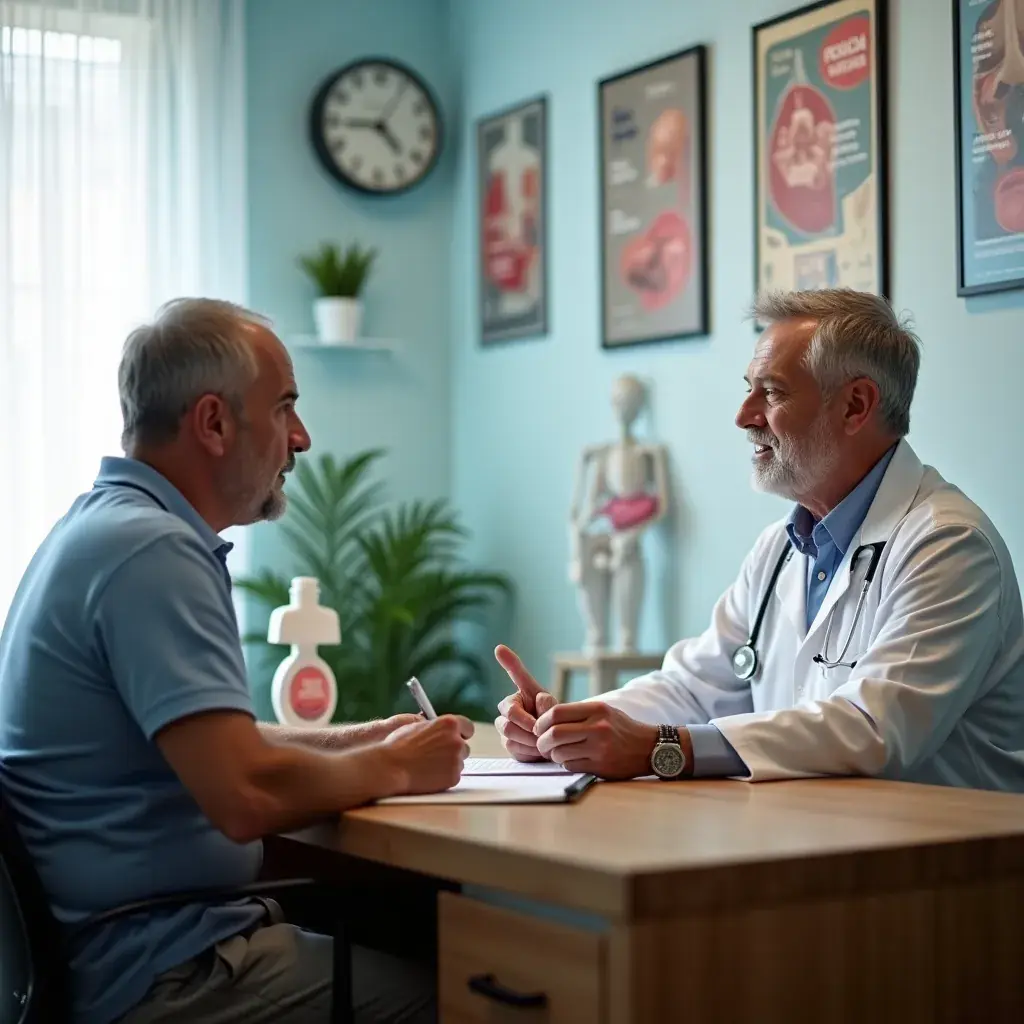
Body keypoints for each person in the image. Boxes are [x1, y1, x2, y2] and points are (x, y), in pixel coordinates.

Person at [0, 298, 469, 1024]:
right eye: (285, 408)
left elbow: (219, 745)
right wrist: (404, 769)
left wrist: (363, 737)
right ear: (214, 423)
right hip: (165, 972)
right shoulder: (151, 550)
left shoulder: (100, 528)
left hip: (115, 953)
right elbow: (244, 793)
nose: (303, 438)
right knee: (497, 998)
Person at [495, 288, 1024, 791]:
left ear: (856, 405)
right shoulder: (781, 548)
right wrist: (568, 729)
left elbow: (872, 729)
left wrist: (663, 748)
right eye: (748, 388)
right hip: (809, 844)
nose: (744, 415)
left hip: (942, 870)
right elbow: (691, 689)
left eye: (770, 392)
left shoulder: (949, 546)